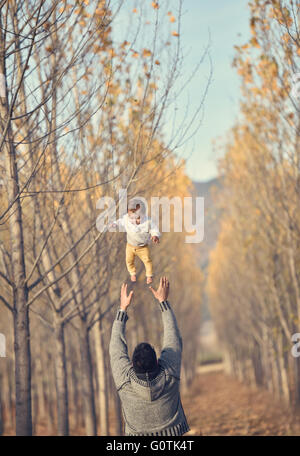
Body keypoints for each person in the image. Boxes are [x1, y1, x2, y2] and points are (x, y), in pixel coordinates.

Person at [109, 277, 190, 436]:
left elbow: (115, 347)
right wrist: (163, 302)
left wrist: (122, 309)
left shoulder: (125, 382)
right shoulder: (169, 374)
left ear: (132, 365)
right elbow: (173, 339)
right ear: (158, 361)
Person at [111, 198, 160, 284]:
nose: (135, 221)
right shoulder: (126, 219)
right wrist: (115, 224)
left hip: (143, 247)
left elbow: (153, 228)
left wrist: (155, 235)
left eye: (138, 218)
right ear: (128, 214)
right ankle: (132, 273)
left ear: (143, 215)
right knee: (129, 260)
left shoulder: (148, 221)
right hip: (130, 246)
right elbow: (121, 221)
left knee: (147, 260)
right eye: (132, 217)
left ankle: (149, 275)